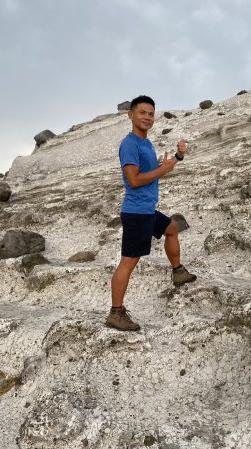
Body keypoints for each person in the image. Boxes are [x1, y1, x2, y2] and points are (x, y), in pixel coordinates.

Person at [106, 95, 197, 331]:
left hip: (147, 209)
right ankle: (116, 313)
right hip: (136, 213)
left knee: (173, 228)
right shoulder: (130, 144)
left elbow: (153, 173)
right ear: (131, 115)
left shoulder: (146, 143)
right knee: (128, 262)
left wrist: (176, 158)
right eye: (142, 112)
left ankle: (178, 272)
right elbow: (134, 180)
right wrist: (163, 169)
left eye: (150, 113)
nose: (147, 117)